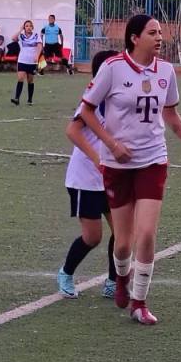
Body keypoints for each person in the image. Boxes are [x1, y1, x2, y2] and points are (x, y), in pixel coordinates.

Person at [78, 14, 181, 325]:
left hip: (153, 160)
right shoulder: (112, 69)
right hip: (117, 165)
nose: (159, 37)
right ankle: (121, 279)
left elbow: (172, 116)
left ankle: (140, 301)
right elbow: (85, 112)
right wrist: (111, 145)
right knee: (123, 242)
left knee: (147, 233)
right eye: (153, 32)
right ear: (135, 38)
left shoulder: (166, 71)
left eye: (160, 32)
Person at [56, 49, 122, 299]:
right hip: (86, 179)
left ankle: (113, 282)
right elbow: (72, 131)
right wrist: (97, 160)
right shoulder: (91, 100)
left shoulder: (119, 99)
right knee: (93, 237)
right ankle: (66, 272)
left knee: (123, 234)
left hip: (112, 176)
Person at [10, 20, 41, 106]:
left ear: (32, 27)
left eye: (30, 26)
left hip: (31, 62)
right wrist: (20, 30)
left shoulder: (36, 36)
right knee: (20, 78)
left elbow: (39, 46)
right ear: (24, 27)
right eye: (26, 26)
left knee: (30, 80)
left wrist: (37, 56)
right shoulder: (21, 35)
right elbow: (13, 38)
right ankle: (17, 98)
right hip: (22, 60)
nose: (28, 27)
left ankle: (30, 100)